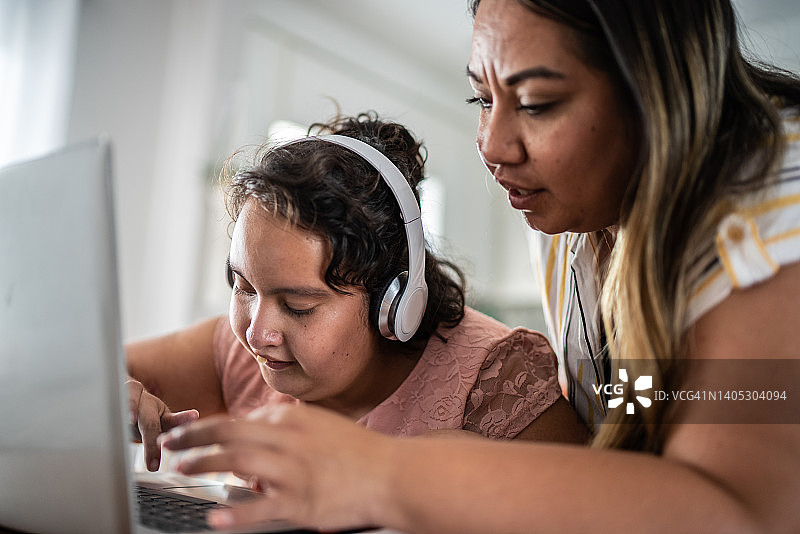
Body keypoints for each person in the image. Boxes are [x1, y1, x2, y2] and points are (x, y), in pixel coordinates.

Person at [160, 0, 800, 532]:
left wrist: (388, 474)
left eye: (539, 102)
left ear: (656, 87)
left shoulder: (774, 204)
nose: (492, 147)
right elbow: (649, 409)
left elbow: (743, 512)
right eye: (480, 99)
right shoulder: (570, 216)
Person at [127, 111, 587, 472]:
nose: (257, 332)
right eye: (242, 286)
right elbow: (91, 376)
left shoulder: (499, 379)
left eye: (298, 306)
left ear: (394, 303)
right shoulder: (246, 351)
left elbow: (589, 515)